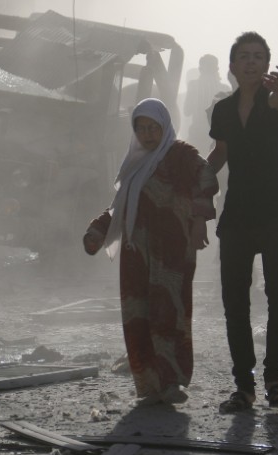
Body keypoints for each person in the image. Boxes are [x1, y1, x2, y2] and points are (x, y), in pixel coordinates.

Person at [83, 98, 218, 406]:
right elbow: (119, 208)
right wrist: (96, 231)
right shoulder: (133, 165)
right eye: (141, 128)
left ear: (165, 126)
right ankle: (149, 386)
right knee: (138, 316)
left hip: (170, 253)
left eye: (152, 127)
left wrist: (200, 222)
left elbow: (207, 181)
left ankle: (172, 381)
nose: (147, 134)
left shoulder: (181, 155)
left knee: (168, 312)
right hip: (136, 256)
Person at [207, 32, 278, 413]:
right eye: (243, 56)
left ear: (266, 65)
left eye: (258, 57)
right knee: (235, 303)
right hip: (238, 217)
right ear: (232, 66)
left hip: (277, 214)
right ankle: (243, 387)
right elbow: (219, 155)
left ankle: (275, 380)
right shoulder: (224, 110)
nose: (250, 62)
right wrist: (191, 177)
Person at [183, 55, 231, 152]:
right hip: (217, 138)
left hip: (196, 135)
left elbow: (186, 111)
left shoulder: (193, 85)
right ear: (217, 69)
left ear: (200, 69)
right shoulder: (225, 89)